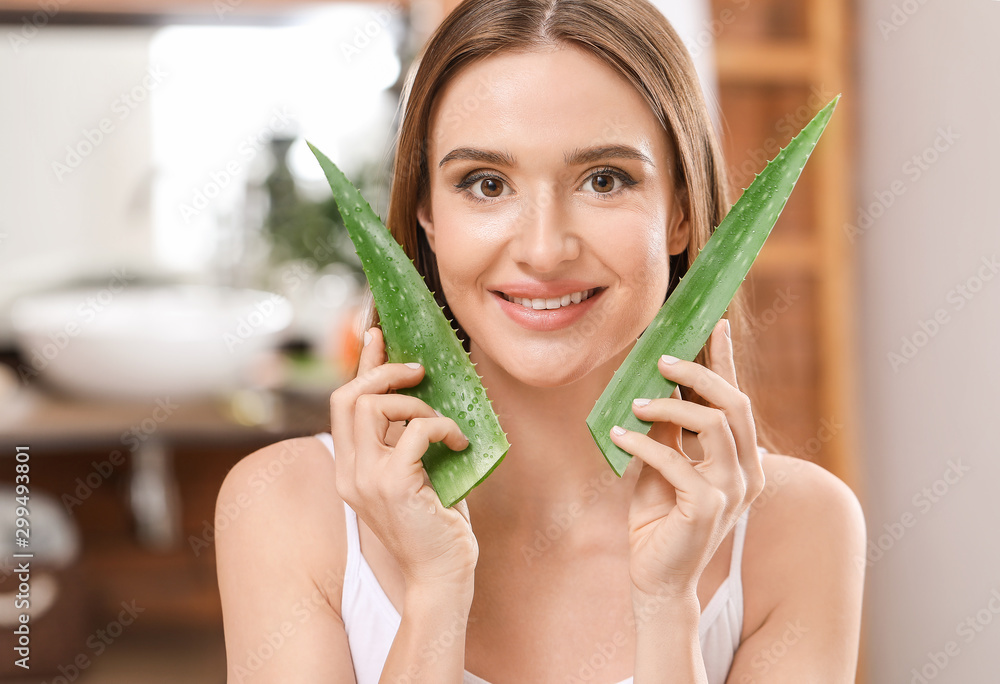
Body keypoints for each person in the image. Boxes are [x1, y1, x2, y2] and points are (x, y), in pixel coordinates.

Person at [215, 0, 866, 682]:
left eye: (604, 179)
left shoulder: (802, 530)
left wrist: (668, 607)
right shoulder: (284, 509)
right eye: (487, 184)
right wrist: (435, 590)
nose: (544, 249)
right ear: (427, 216)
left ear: (678, 211)